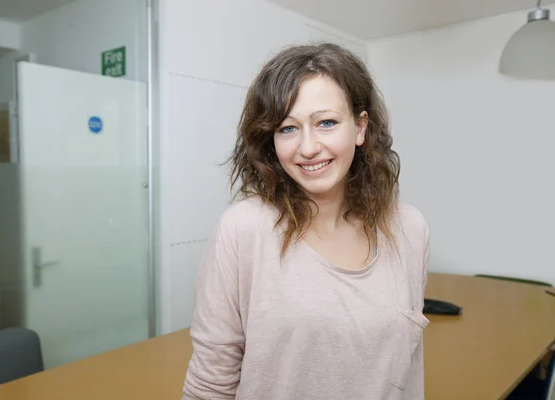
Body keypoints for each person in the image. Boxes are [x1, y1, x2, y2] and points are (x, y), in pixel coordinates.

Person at [182, 42, 430, 400]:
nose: (308, 147)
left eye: (326, 122)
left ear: (360, 128)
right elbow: (210, 383)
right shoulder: (242, 230)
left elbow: (407, 370)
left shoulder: (410, 229)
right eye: (287, 128)